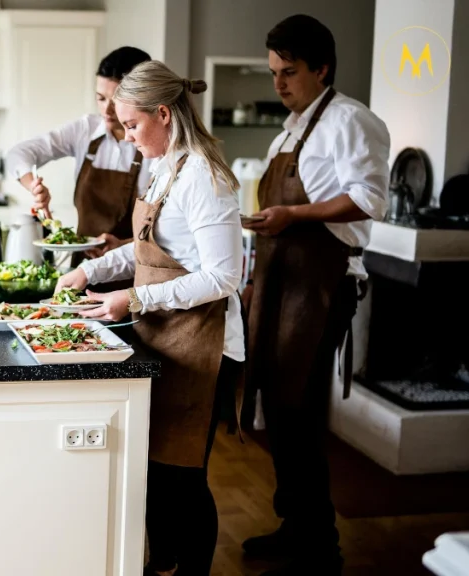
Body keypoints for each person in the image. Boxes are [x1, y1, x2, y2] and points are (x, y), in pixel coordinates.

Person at [56, 60, 245, 576]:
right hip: (166, 337)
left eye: (133, 125)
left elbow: (225, 276)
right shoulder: (165, 166)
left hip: (204, 347)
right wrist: (91, 270)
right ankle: (162, 564)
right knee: (156, 474)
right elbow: (143, 251)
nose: (127, 136)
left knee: (184, 479)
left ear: (164, 113)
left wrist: (133, 301)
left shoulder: (205, 177)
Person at [241, 14, 390, 576]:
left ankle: (320, 547)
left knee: (299, 414)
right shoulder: (290, 131)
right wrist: (258, 273)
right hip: (281, 282)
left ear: (322, 68)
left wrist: (293, 214)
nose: (278, 84)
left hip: (323, 285)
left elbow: (370, 198)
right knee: (277, 412)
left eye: (290, 72)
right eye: (274, 72)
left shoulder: (352, 120)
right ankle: (294, 526)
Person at [4, 46, 153, 268]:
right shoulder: (85, 130)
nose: (107, 110)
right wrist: (34, 186)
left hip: (132, 269)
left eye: (116, 100)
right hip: (82, 270)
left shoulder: (154, 147)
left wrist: (122, 246)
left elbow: (168, 234)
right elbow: (18, 154)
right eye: (101, 98)